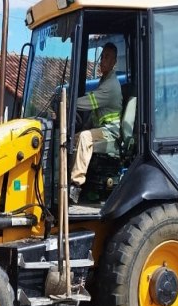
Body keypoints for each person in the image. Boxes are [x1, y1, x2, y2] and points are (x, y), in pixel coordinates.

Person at [69, 42, 123, 203]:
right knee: (76, 137)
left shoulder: (111, 85)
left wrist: (67, 102)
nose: (102, 60)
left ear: (114, 62)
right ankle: (66, 182)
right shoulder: (104, 80)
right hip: (102, 130)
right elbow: (95, 113)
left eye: (107, 57)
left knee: (85, 137)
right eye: (102, 56)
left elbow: (91, 102)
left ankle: (76, 186)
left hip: (111, 133)